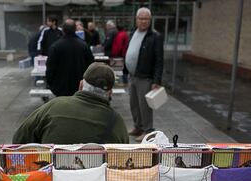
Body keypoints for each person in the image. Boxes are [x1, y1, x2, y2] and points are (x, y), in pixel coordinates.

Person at [13, 62, 129, 144]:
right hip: (94, 178)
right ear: (110, 93)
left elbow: (19, 139)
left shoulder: (54, 106)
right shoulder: (116, 122)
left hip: (52, 176)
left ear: (81, 85)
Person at [125, 7, 164, 142]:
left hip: (146, 77)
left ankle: (148, 131)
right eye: (141, 18)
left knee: (144, 106)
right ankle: (138, 127)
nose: (143, 21)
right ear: (136, 20)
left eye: (146, 19)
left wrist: (156, 80)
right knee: (134, 104)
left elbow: (159, 60)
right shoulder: (132, 33)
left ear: (150, 20)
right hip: (132, 75)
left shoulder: (155, 36)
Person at [46, 19, 94, 97]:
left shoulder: (55, 46)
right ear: (75, 29)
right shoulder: (84, 45)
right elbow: (91, 65)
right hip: (80, 86)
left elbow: (50, 67)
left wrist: (50, 84)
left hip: (60, 87)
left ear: (63, 30)